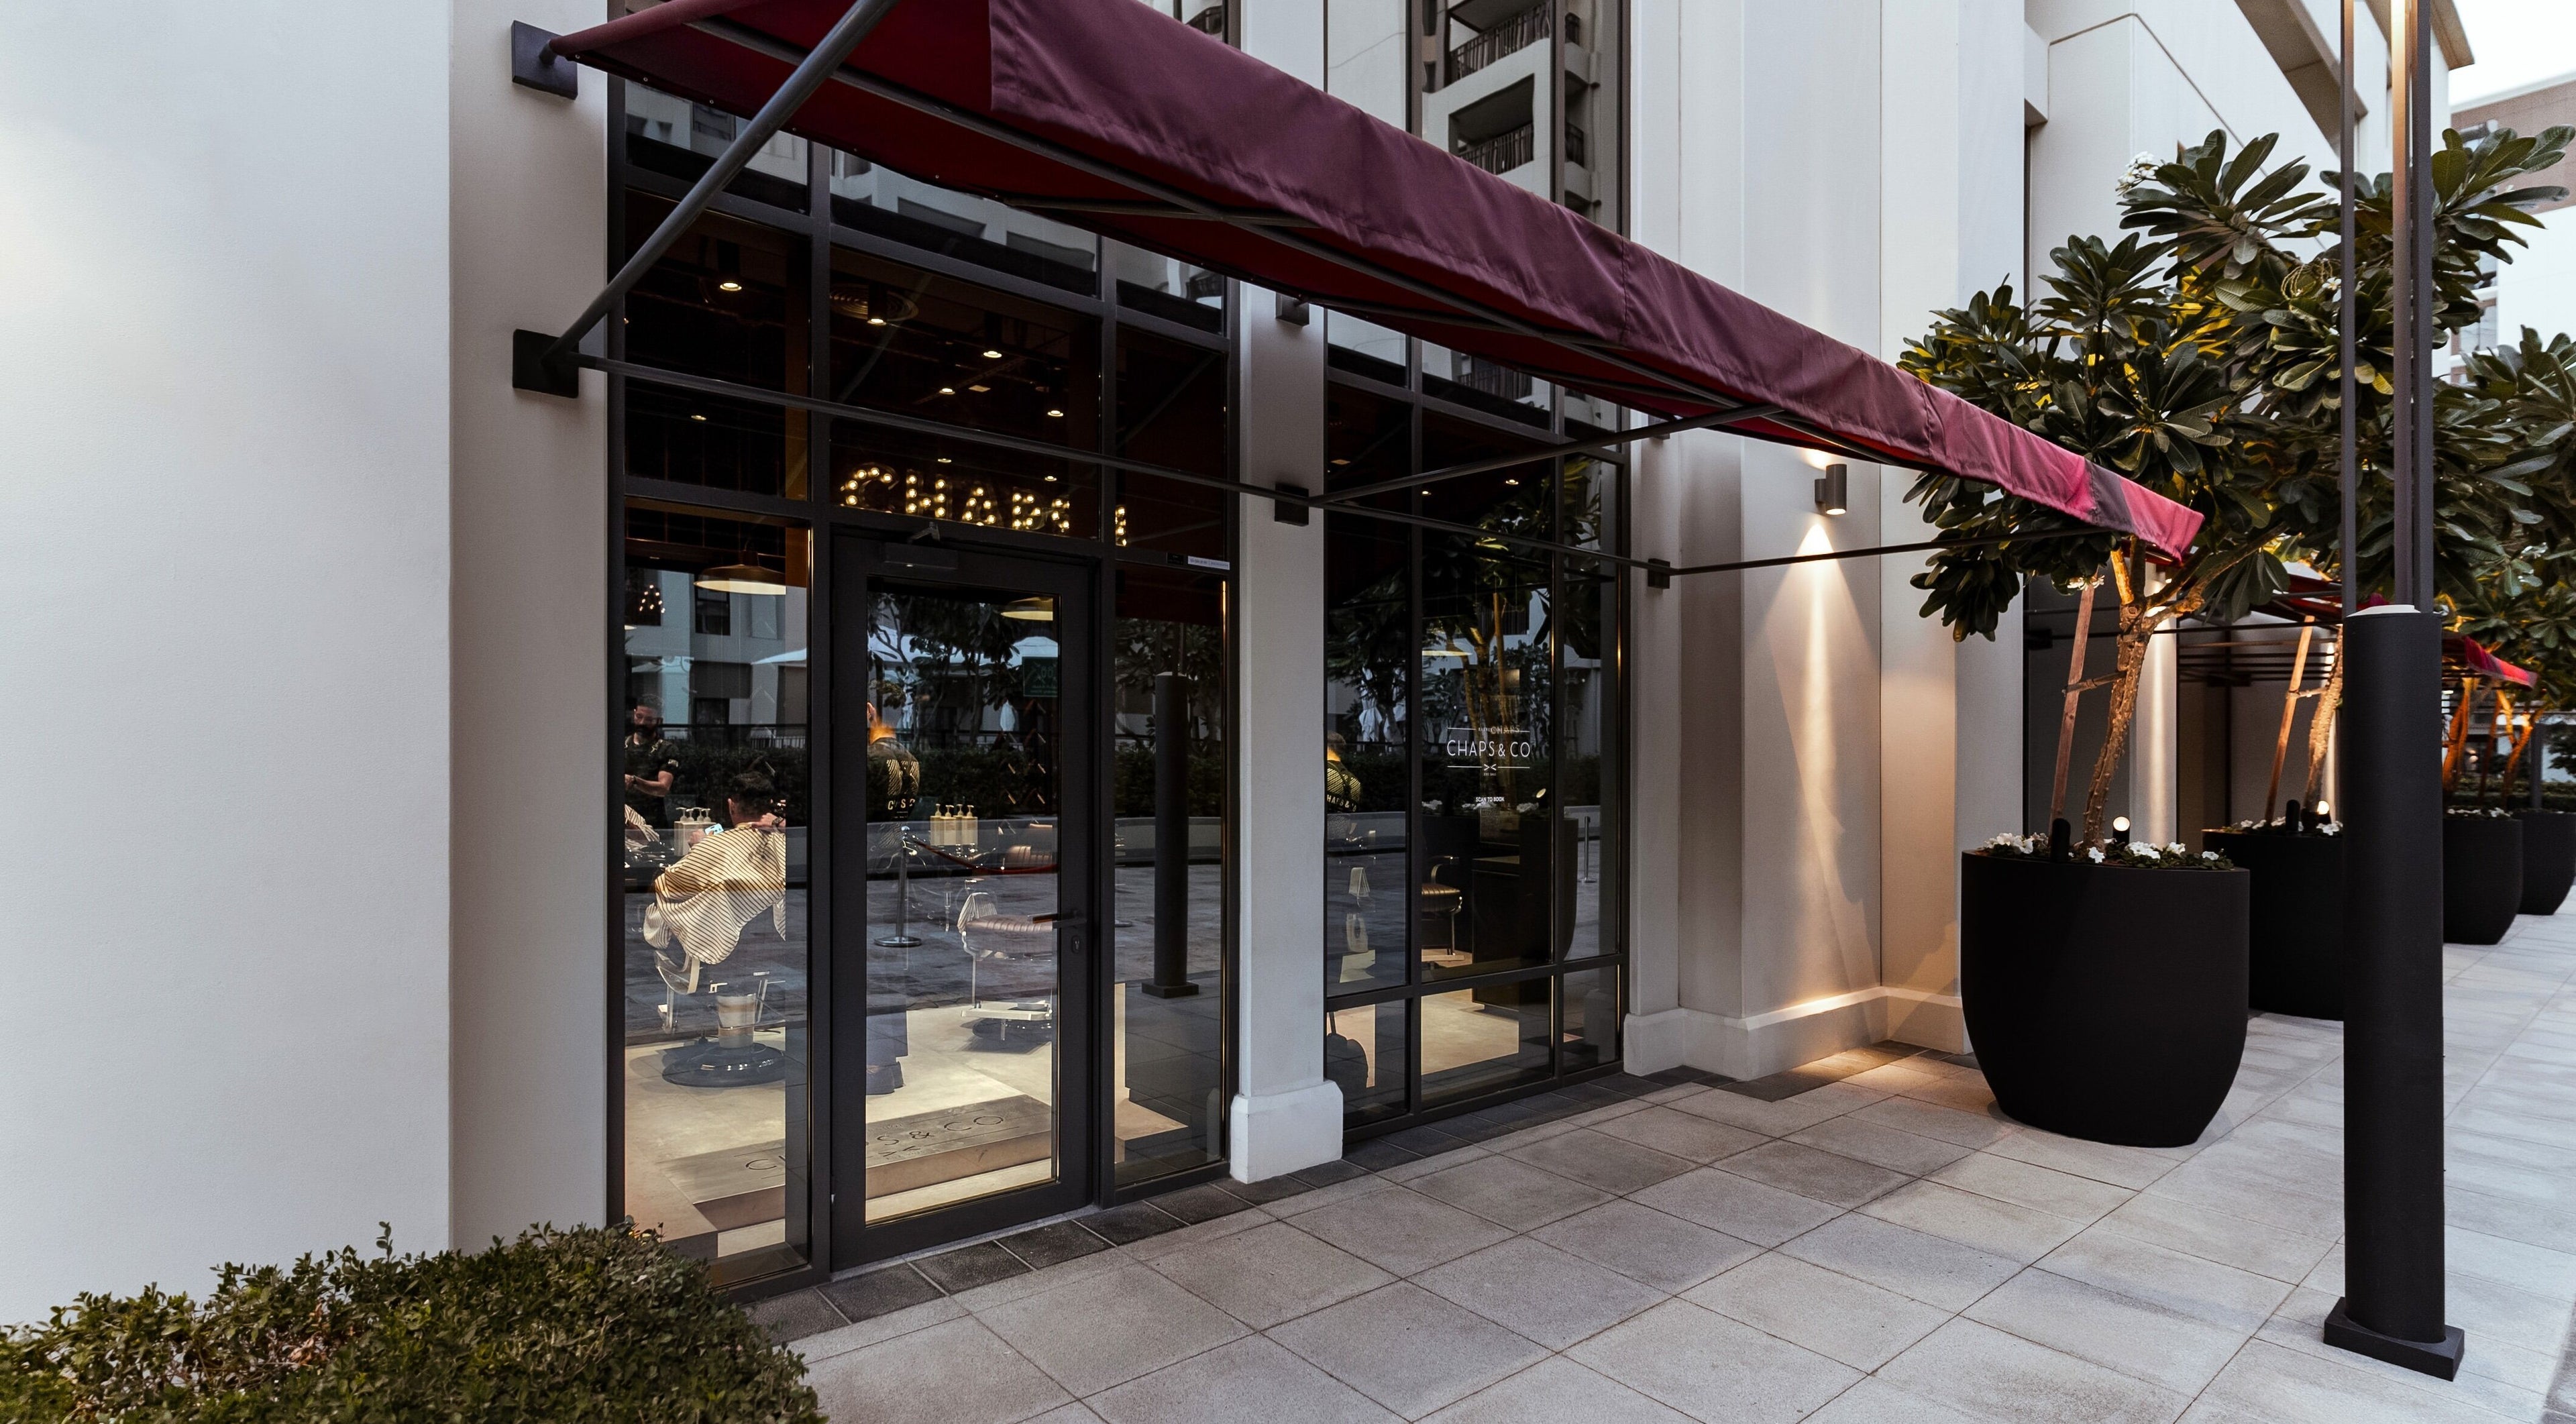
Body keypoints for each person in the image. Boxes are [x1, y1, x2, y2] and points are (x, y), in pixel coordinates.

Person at [641, 766, 788, 997]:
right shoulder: (787, 843)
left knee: (662, 901)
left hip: (720, 955)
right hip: (772, 951)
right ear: (769, 805)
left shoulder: (713, 845)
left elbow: (668, 886)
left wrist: (700, 847)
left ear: (731, 805)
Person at [623, 700, 682, 826]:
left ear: (659, 721)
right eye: (639, 717)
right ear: (634, 714)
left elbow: (663, 788)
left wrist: (634, 781)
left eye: (649, 720)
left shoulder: (666, 749)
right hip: (622, 818)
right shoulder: (621, 745)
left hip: (652, 821)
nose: (642, 723)